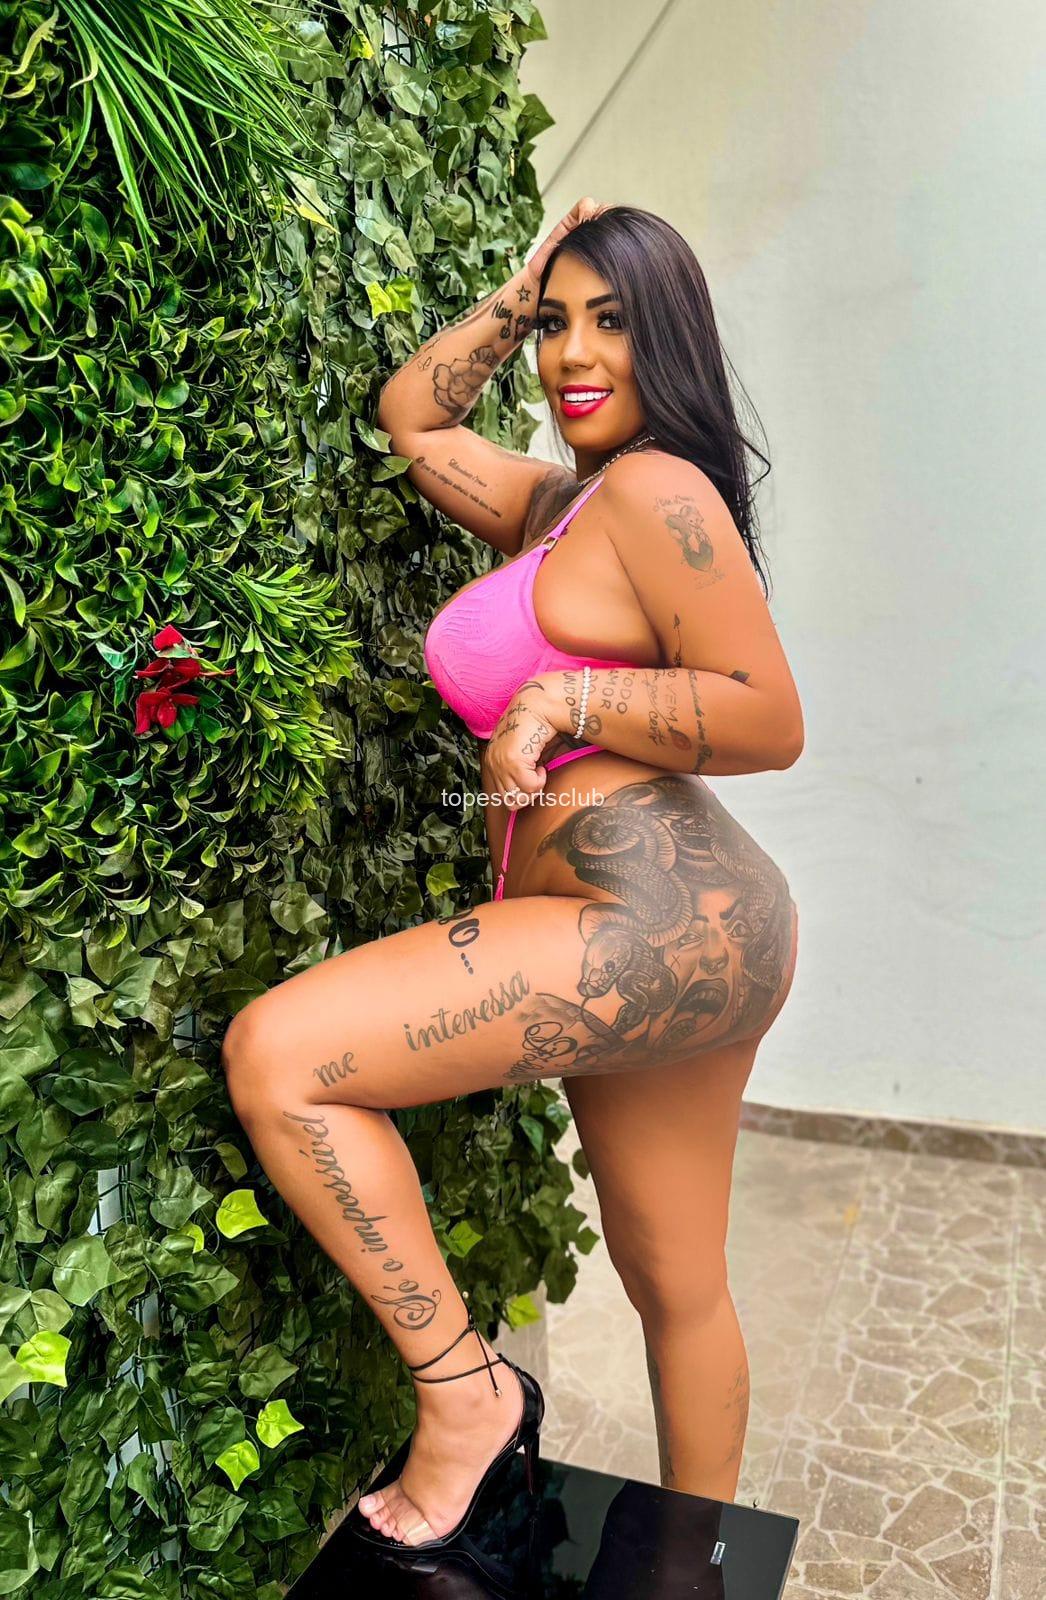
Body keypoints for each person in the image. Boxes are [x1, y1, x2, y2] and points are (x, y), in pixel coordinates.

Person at [221, 198, 803, 1554]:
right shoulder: (562, 505)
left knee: (279, 1059)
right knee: (677, 1282)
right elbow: (414, 420)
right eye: (557, 324)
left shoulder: (658, 492)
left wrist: (567, 696)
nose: (572, 353)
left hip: (643, 914)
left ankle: (465, 1396)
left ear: (672, 340)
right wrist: (515, 287)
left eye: (612, 321)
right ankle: (690, 1568)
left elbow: (769, 716)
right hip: (695, 927)